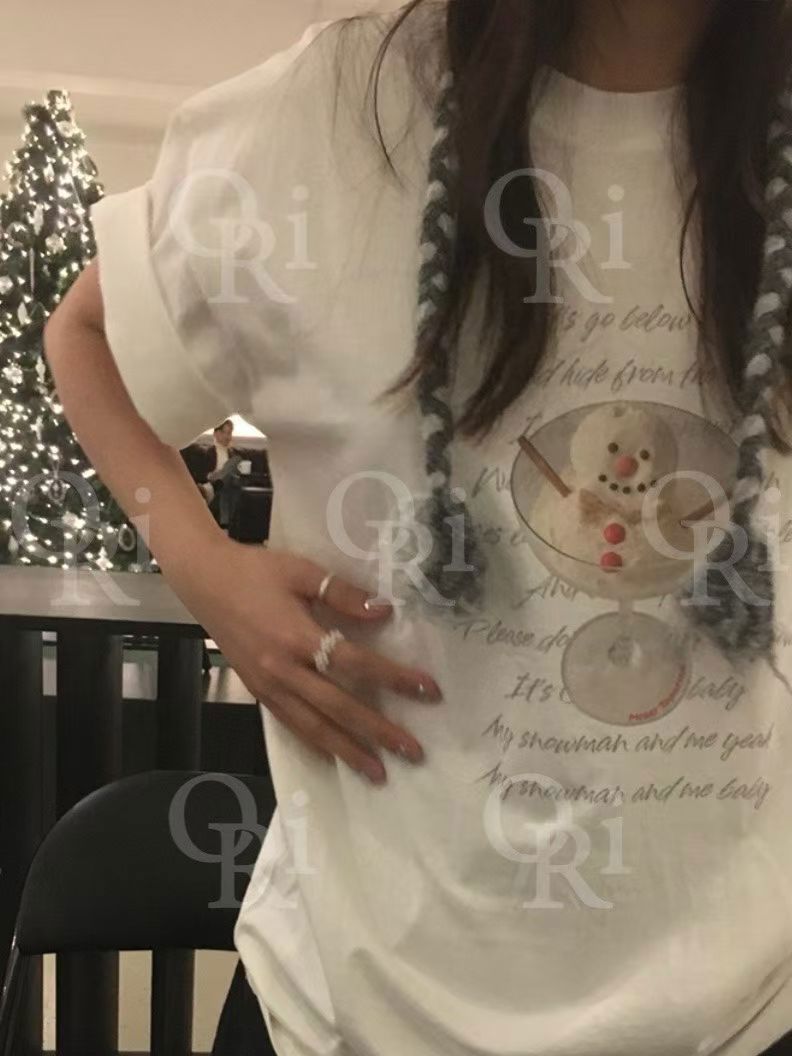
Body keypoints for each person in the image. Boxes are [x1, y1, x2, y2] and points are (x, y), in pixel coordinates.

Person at [43, 1, 792, 1054]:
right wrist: (206, 570)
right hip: (349, 1007)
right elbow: (88, 334)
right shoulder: (328, 113)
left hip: (743, 1006)